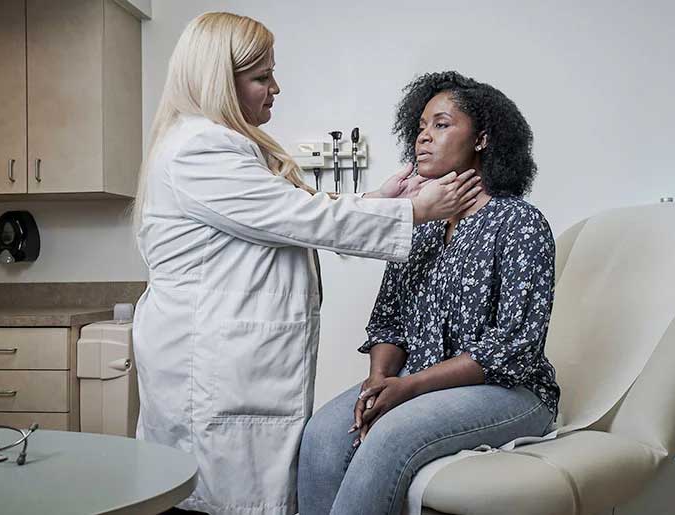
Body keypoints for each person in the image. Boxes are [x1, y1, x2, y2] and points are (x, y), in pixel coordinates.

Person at [131, 14, 481, 515]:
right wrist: (414, 210)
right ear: (217, 81)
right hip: (212, 364)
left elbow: (290, 216)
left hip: (231, 356)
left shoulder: (514, 223)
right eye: (260, 77)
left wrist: (383, 199)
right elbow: (302, 217)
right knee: (216, 498)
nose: (275, 87)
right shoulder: (201, 148)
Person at [297, 71, 560, 515]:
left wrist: (410, 387)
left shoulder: (520, 223)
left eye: (441, 124)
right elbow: (389, 321)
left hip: (511, 392)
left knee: (390, 433)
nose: (423, 138)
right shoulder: (421, 228)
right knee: (323, 432)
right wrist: (380, 379)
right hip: (414, 382)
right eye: (419, 127)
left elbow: (512, 349)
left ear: (482, 139)